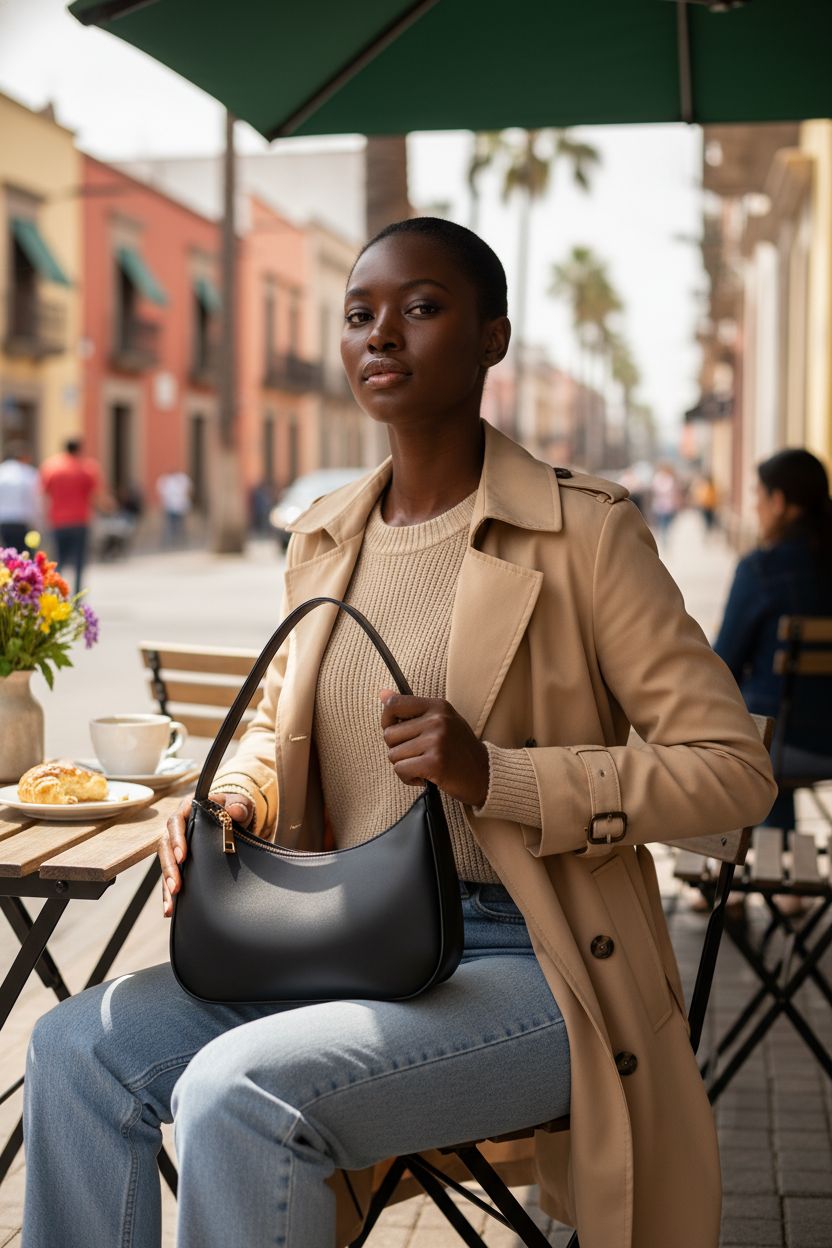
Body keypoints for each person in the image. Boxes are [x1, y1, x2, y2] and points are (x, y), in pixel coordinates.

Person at [22, 219, 775, 1248]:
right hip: (349, 945)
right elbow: (285, 713)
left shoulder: (587, 533)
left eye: (421, 309)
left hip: (540, 963)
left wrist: (498, 774)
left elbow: (731, 774)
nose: (382, 336)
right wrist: (238, 796)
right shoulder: (325, 537)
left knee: (241, 1095)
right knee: (73, 1048)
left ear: (491, 338)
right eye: (359, 316)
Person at [714, 448, 832, 832]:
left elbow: (723, 665)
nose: (756, 507)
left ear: (779, 502)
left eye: (758, 496)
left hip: (781, 748)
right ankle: (788, 886)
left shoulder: (761, 570)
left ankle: (745, 877)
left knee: (748, 733)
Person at [39, 437, 100, 593]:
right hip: (80, 520)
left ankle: (55, 594)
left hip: (58, 520)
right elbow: (95, 494)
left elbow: (44, 492)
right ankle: (77, 595)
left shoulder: (51, 467)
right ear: (79, 449)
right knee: (79, 562)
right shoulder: (87, 468)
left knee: (57, 561)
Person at [0, 442, 40, 551]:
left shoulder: (2, 472)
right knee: (23, 555)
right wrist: (37, 523)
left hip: (3, 521)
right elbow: (35, 500)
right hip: (22, 521)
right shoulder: (29, 473)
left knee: (7, 555)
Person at [156, 469, 192, 545]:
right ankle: (170, 541)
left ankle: (180, 540)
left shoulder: (182, 479)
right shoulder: (166, 480)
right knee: (170, 525)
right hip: (170, 507)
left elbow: (188, 489)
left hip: (180, 506)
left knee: (179, 525)